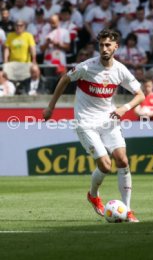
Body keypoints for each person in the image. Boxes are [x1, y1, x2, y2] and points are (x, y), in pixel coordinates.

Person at [43, 28, 145, 222]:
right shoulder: (86, 67)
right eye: (101, 45)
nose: (104, 48)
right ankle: (93, 195)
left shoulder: (120, 70)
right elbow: (65, 78)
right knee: (105, 165)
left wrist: (125, 108)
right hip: (86, 122)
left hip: (109, 120)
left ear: (116, 46)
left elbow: (140, 95)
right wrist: (50, 107)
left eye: (108, 45)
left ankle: (128, 209)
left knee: (122, 160)